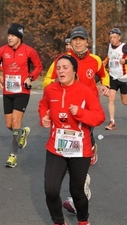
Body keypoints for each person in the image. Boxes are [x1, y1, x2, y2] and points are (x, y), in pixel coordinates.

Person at [38, 55, 105, 225]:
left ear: (74, 71)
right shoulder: (50, 90)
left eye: (65, 67)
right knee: (50, 190)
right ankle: (59, 224)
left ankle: (83, 221)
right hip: (56, 146)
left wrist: (81, 113)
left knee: (77, 191)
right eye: (58, 67)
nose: (60, 71)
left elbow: (99, 116)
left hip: (80, 148)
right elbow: (43, 105)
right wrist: (44, 117)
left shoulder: (85, 91)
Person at [43, 26, 110, 213]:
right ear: (70, 42)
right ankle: (81, 182)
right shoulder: (61, 61)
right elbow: (47, 80)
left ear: (87, 41)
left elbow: (104, 76)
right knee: (68, 150)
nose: (78, 42)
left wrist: (105, 86)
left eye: (81, 39)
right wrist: (59, 83)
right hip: (65, 111)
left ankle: (78, 189)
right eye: (75, 40)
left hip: (87, 111)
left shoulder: (95, 60)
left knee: (80, 145)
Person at [0, 23, 43, 167]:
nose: (10, 38)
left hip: (22, 91)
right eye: (9, 35)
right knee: (10, 125)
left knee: (15, 122)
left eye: (13, 35)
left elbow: (38, 66)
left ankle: (13, 155)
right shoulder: (2, 51)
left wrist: (31, 78)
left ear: (19, 37)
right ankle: (22, 133)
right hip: (8, 92)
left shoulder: (29, 51)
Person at [103, 28, 127, 130]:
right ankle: (112, 122)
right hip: (113, 76)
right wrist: (105, 62)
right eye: (110, 37)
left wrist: (126, 61)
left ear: (119, 37)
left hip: (124, 77)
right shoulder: (109, 46)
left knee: (125, 101)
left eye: (114, 37)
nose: (112, 39)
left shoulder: (124, 47)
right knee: (111, 99)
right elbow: (109, 56)